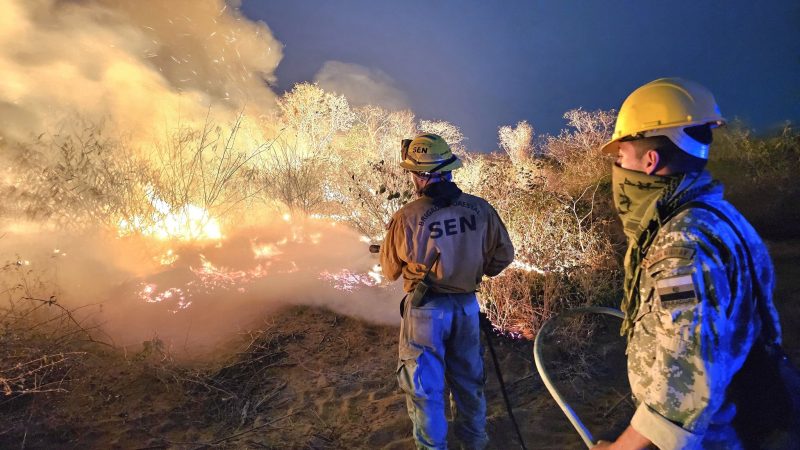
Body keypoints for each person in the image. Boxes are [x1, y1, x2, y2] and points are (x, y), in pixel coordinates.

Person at [592, 78, 784, 449]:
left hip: (714, 438)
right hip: (744, 418)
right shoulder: (720, 216)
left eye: (622, 156)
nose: (618, 167)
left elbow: (684, 382)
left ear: (650, 161)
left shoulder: (681, 245)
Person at [380, 133, 514, 449]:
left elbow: (390, 270)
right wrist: (472, 268)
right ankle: (474, 443)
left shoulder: (407, 217)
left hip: (426, 311)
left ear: (418, 174)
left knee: (424, 388)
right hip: (467, 307)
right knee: (468, 382)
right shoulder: (481, 209)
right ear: (450, 168)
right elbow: (503, 256)